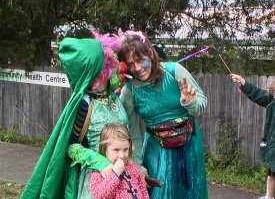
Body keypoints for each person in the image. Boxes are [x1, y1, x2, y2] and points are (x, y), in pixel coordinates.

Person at [20, 30, 144, 199]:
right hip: (98, 179)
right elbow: (71, 147)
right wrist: (101, 163)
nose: (110, 69)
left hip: (124, 174)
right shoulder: (84, 104)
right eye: (104, 66)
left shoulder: (112, 96)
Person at [117, 30, 209, 199]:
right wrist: (139, 168)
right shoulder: (129, 92)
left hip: (189, 147)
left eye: (139, 60)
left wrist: (190, 102)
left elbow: (201, 105)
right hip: (157, 154)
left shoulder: (174, 71)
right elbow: (131, 135)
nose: (137, 68)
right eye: (130, 64)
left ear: (151, 53)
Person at [231, 74, 275, 199]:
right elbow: (257, 94)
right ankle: (269, 197)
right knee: (271, 175)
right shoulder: (271, 101)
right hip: (273, 148)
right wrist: (243, 82)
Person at [90, 123, 149, 199]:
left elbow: (143, 191)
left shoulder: (132, 166)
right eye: (116, 150)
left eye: (125, 149)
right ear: (105, 149)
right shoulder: (99, 172)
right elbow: (100, 196)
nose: (122, 155)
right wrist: (115, 174)